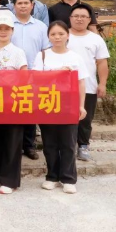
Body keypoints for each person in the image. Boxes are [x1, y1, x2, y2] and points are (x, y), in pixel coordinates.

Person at [33, 21, 88, 194]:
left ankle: (68, 178)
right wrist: (57, 73)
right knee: (49, 143)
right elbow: (36, 80)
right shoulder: (42, 56)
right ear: (48, 37)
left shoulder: (75, 57)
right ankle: (52, 177)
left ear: (67, 35)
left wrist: (81, 106)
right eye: (53, 34)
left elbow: (81, 83)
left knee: (68, 143)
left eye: (61, 34)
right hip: (47, 105)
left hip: (68, 106)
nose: (57, 37)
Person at [0, 15, 28, 194]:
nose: (3, 32)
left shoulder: (18, 52)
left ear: (12, 30)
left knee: (12, 140)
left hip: (12, 101)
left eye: (7, 29)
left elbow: (24, 77)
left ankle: (9, 180)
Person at [67, 4, 110, 161]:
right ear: (70, 18)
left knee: (85, 118)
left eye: (83, 16)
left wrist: (102, 83)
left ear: (89, 19)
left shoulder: (95, 39)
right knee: (65, 118)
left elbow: (102, 62)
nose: (79, 19)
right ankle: (67, 146)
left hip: (89, 86)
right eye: (76, 16)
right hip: (64, 87)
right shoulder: (62, 35)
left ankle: (83, 145)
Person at [11, 0, 51, 160]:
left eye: (26, 3)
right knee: (12, 110)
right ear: (14, 6)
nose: (23, 6)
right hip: (11, 75)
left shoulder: (40, 26)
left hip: (33, 74)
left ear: (32, 5)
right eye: (19, 3)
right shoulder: (7, 24)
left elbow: (45, 50)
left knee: (30, 110)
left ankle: (29, 146)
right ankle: (14, 146)